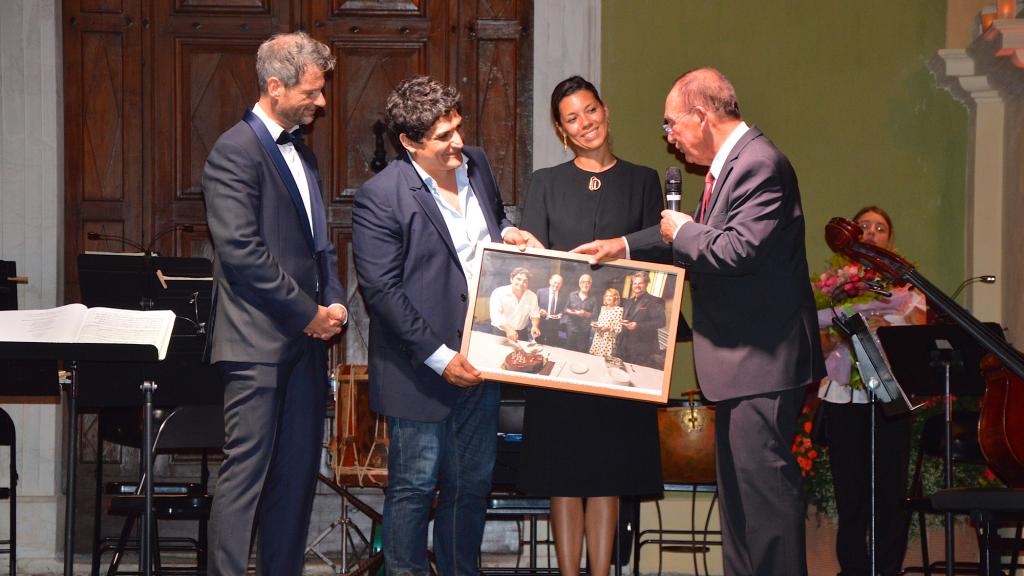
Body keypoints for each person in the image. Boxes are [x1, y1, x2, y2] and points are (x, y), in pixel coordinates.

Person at [575, 67, 825, 576]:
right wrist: (622, 245)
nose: (670, 139)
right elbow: (687, 233)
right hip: (741, 366)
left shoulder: (759, 164)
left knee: (766, 511)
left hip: (762, 362)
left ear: (701, 115)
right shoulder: (734, 166)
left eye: (671, 125)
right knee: (739, 513)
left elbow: (735, 249)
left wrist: (686, 230)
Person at [351, 75, 539, 576]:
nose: (458, 141)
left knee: (471, 486)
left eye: (457, 126)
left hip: (484, 358)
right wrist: (440, 357)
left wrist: (511, 236)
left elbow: (490, 232)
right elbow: (383, 292)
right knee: (413, 489)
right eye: (443, 135)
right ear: (410, 143)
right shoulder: (379, 196)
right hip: (420, 369)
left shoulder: (475, 163)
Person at [202, 31, 348, 575]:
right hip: (257, 344)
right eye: (312, 92)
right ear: (274, 85)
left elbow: (319, 245)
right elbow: (242, 253)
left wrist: (333, 303)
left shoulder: (303, 155)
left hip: (306, 347)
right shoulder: (233, 151)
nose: (322, 101)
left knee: (295, 478)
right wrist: (307, 313)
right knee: (246, 479)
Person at [519, 75, 664, 576]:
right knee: (564, 472)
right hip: (561, 351)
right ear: (562, 129)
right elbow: (536, 262)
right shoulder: (545, 182)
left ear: (606, 109)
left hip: (620, 349)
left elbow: (662, 249)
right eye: (572, 118)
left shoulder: (645, 181)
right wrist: (522, 246)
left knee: (609, 472)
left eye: (590, 110)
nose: (586, 124)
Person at [817, 206, 925, 576]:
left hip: (891, 397)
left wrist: (886, 325)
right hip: (847, 397)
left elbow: (920, 343)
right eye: (864, 226)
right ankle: (854, 569)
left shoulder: (908, 291)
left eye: (880, 227)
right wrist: (841, 333)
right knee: (852, 492)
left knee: (890, 491)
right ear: (850, 237)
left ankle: (887, 569)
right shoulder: (834, 286)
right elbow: (819, 347)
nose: (872, 232)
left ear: (889, 241)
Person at [618, 271, 666, 368]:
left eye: (640, 283)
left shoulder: (655, 301)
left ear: (646, 284)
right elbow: (629, 319)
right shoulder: (628, 301)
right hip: (624, 346)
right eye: (635, 283)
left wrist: (638, 326)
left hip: (642, 350)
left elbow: (661, 322)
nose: (637, 285)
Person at [489, 267, 542, 342]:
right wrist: (508, 330)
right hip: (501, 332)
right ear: (511, 279)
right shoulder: (498, 293)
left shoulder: (532, 296)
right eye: (518, 279)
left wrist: (535, 326)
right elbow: (496, 316)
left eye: (525, 281)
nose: (521, 283)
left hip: (522, 333)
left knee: (522, 353)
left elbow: (535, 314)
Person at [562, 274, 597, 352]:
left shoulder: (593, 298)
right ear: (579, 284)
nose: (585, 285)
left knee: (582, 352)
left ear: (590, 284)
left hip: (584, 331)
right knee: (569, 351)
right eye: (583, 282)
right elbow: (565, 309)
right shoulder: (571, 295)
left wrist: (585, 313)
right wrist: (572, 312)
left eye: (588, 282)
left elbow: (594, 315)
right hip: (571, 328)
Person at [588, 288, 623, 357]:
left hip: (607, 341)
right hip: (598, 338)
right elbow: (600, 322)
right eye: (607, 296)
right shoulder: (603, 308)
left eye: (610, 296)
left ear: (615, 298)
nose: (608, 298)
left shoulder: (619, 310)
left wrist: (609, 329)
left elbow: (619, 329)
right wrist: (595, 325)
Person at [535, 273, 566, 346]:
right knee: (538, 345)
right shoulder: (540, 292)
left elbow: (564, 309)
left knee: (552, 346)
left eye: (559, 283)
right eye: (555, 282)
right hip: (541, 324)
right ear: (550, 281)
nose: (556, 285)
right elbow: (534, 306)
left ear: (561, 285)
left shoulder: (564, 295)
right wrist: (539, 311)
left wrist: (561, 314)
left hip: (554, 327)